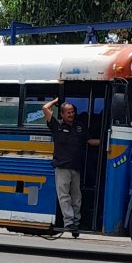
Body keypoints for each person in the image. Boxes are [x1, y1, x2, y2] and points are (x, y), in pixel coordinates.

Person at [43, 98, 99, 231]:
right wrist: (56, 100)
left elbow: (90, 141)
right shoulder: (57, 125)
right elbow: (45, 108)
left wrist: (108, 141)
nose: (71, 114)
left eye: (72, 112)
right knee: (64, 196)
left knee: (76, 196)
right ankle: (69, 222)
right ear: (62, 114)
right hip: (62, 167)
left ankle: (76, 222)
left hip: (76, 167)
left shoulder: (79, 126)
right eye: (68, 112)